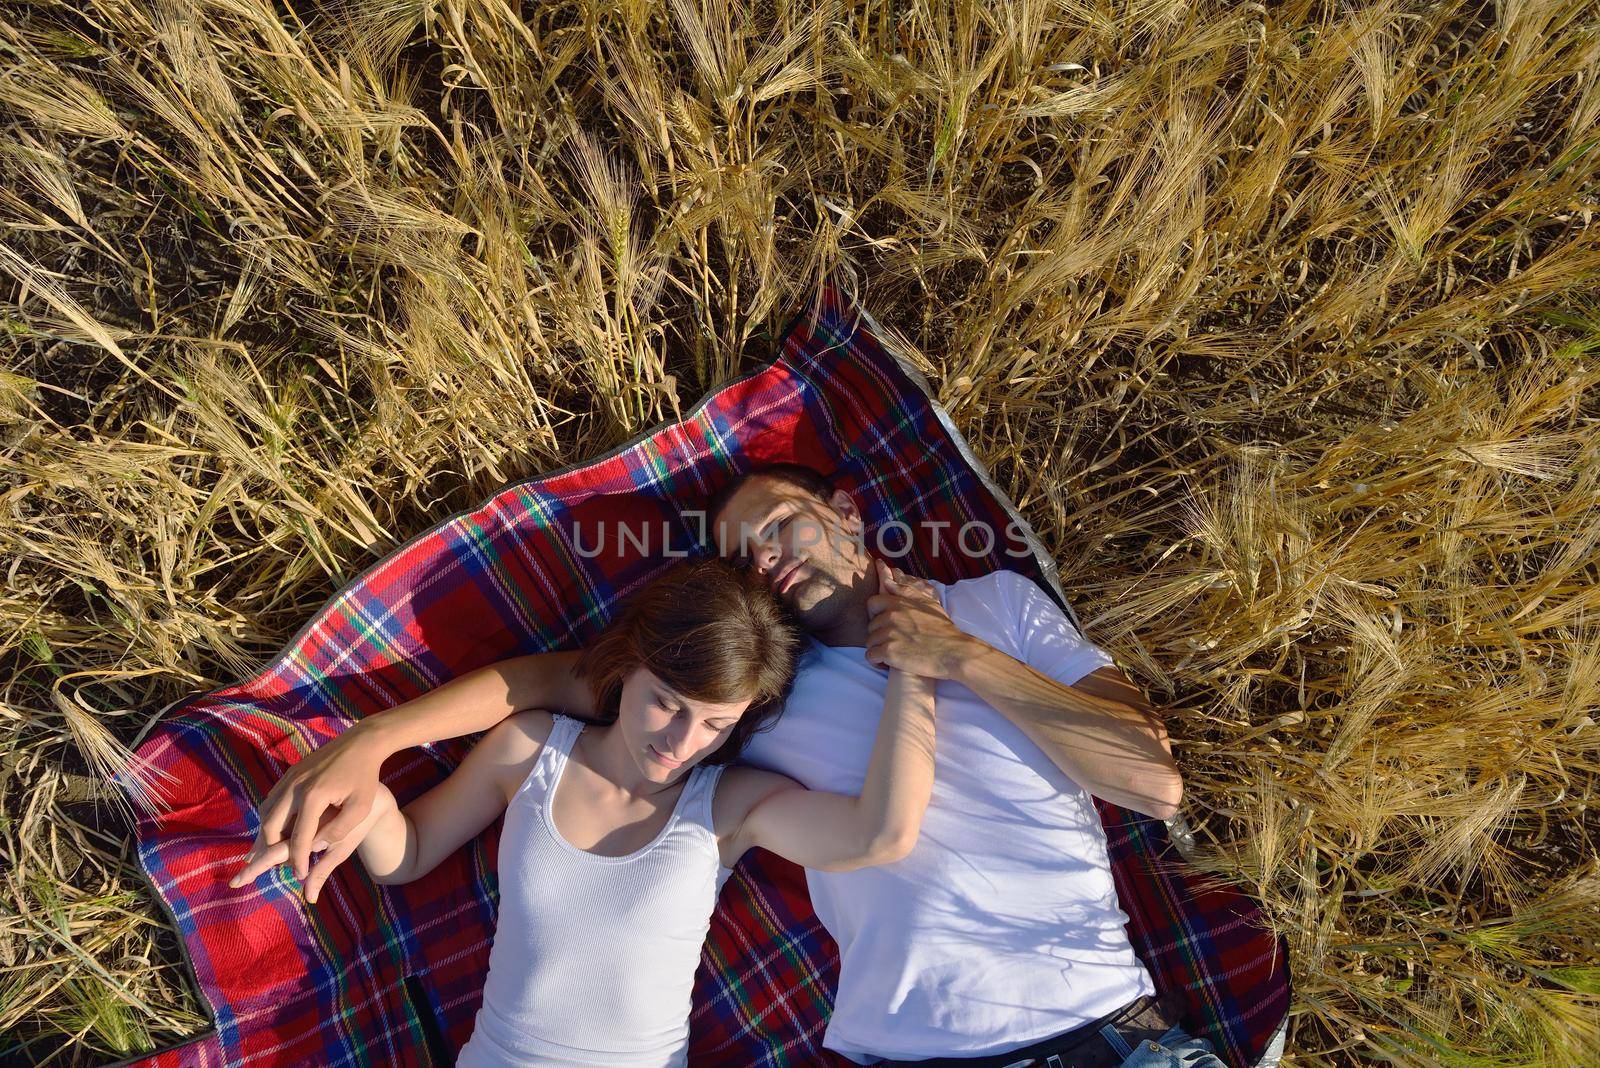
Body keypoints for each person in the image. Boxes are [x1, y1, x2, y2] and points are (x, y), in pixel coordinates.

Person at [245, 463, 1283, 1068]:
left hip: (1098, 1025)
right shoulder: (753, 690)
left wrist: (951, 656)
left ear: (841, 511)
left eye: (780, 526)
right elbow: (557, 685)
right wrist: (375, 740)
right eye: (744, 557)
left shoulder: (996, 605)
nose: (769, 560)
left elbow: (1150, 783)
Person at [226, 554, 941, 1067]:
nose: (680, 741)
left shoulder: (726, 806)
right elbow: (409, 853)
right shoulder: (532, 751)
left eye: (714, 724)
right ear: (628, 665)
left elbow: (880, 834)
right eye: (666, 702)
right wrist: (368, 799)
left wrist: (919, 666)